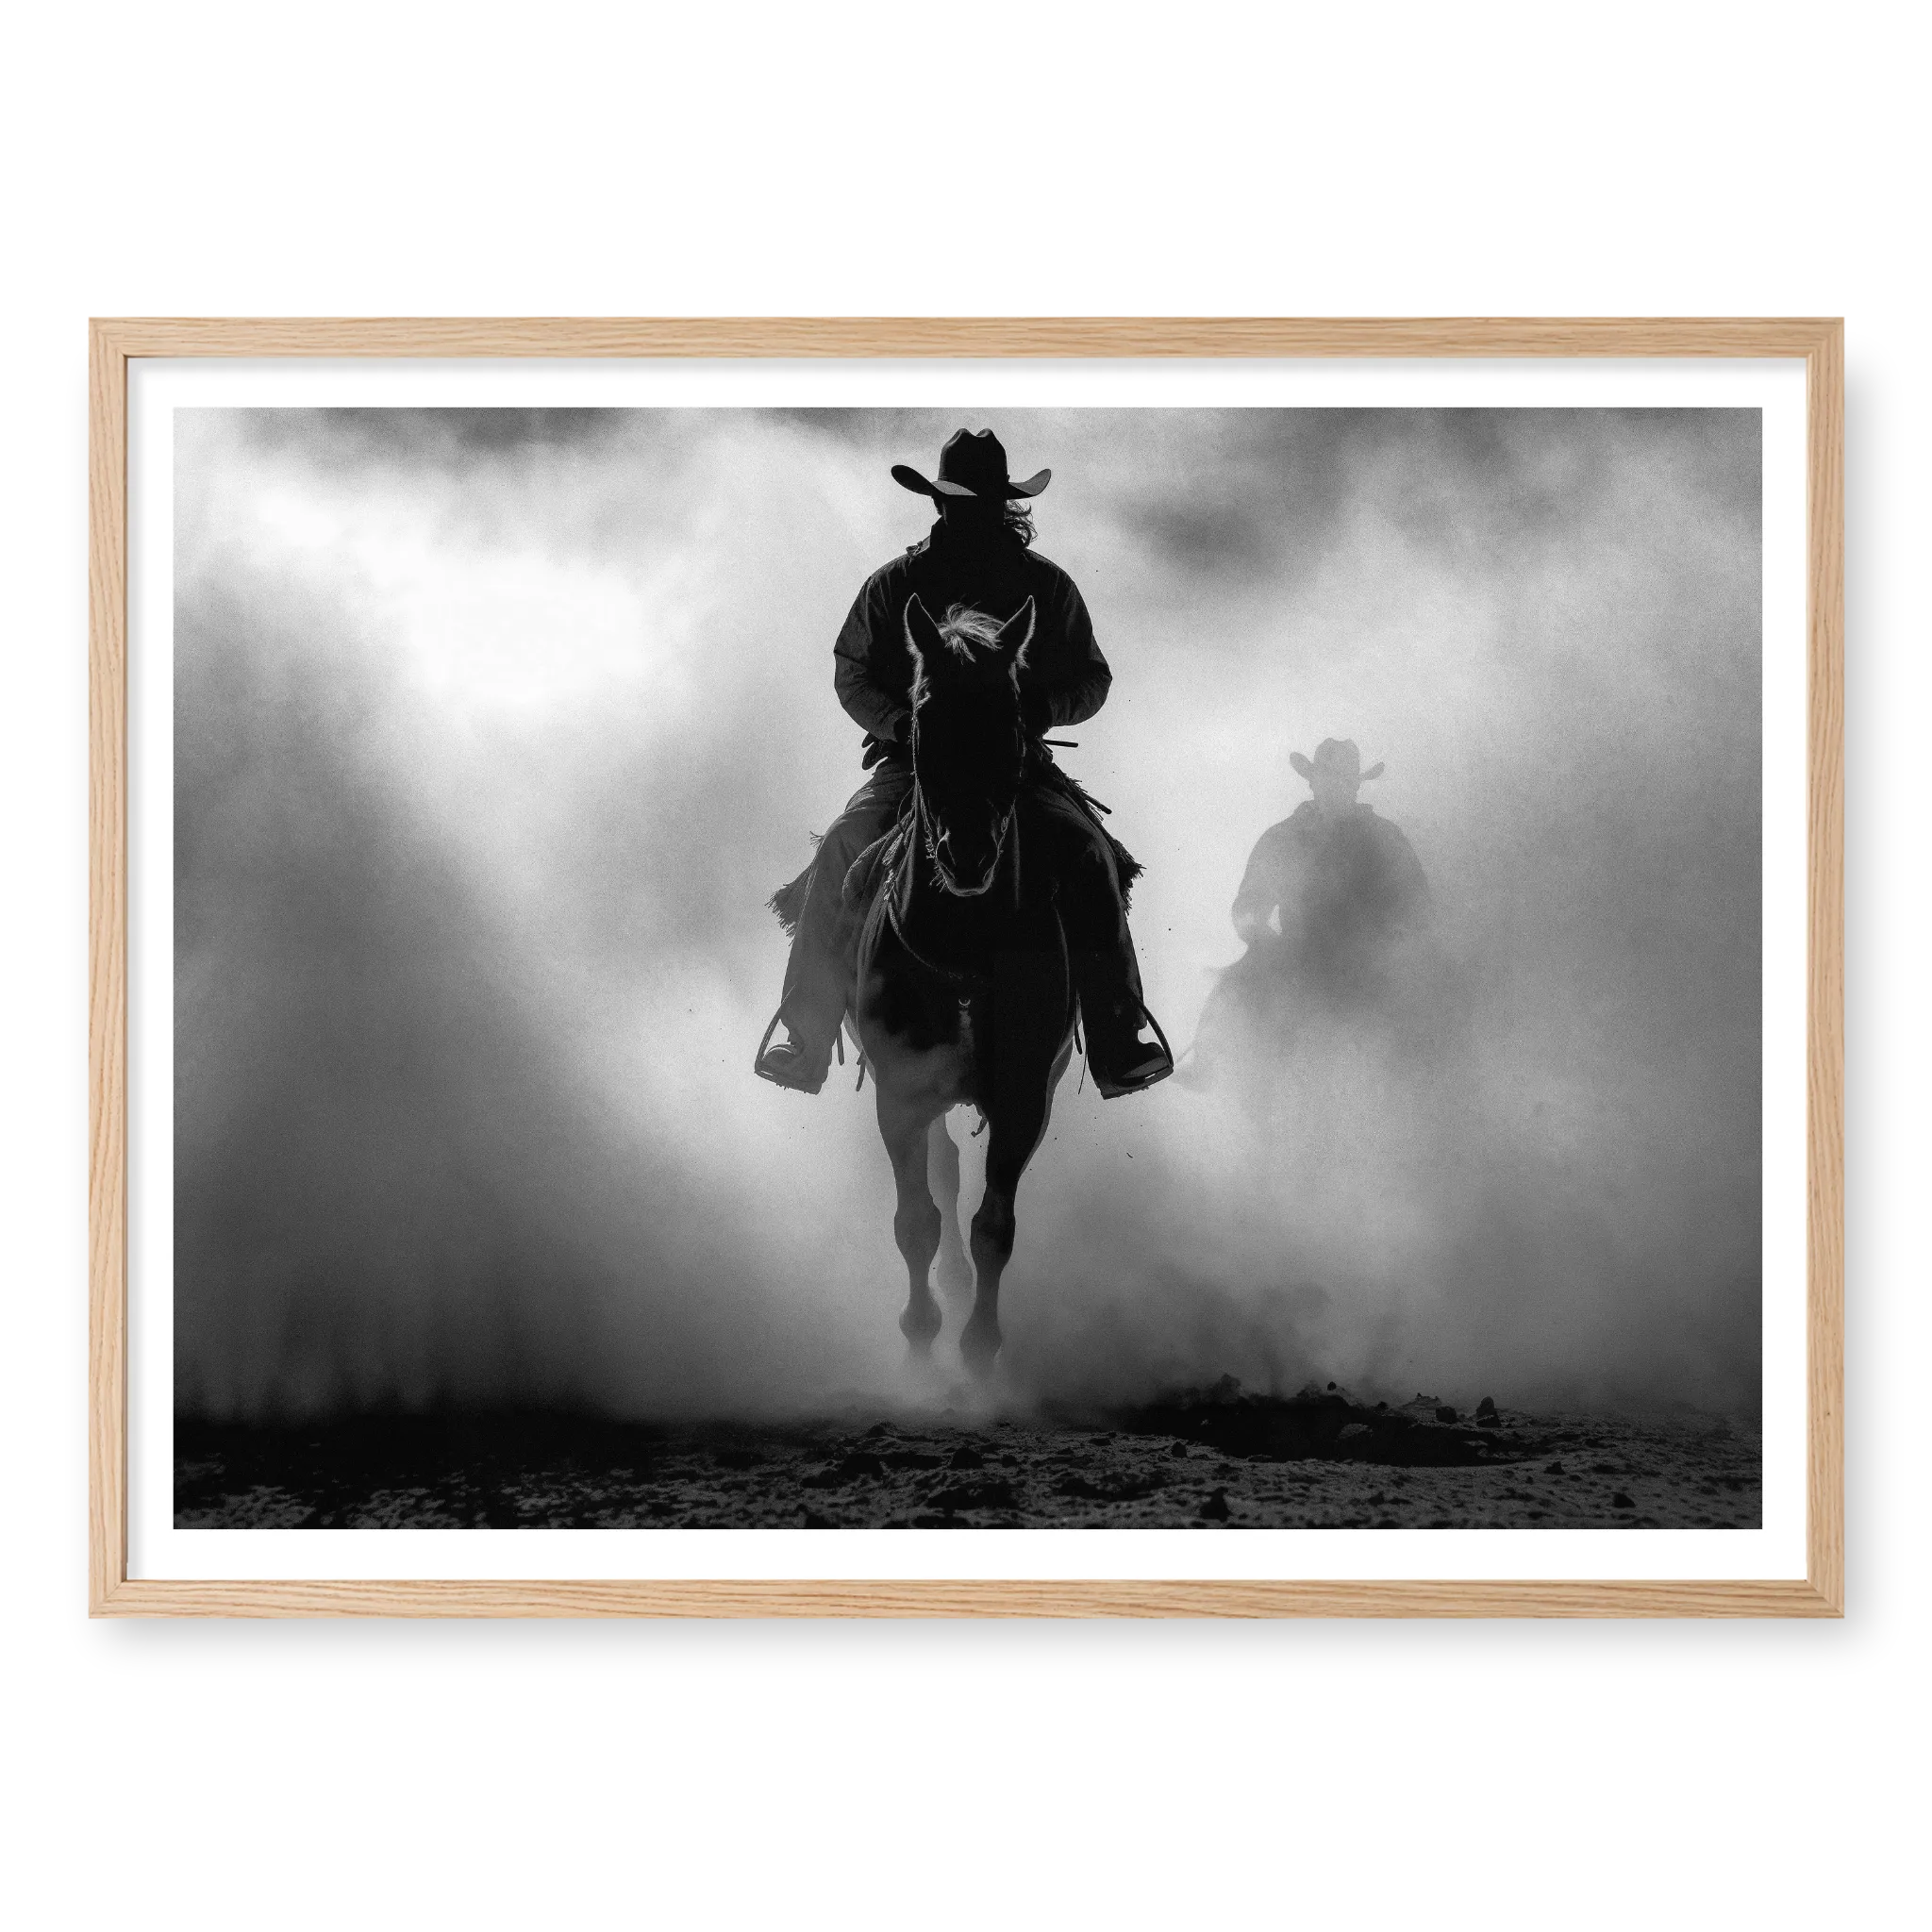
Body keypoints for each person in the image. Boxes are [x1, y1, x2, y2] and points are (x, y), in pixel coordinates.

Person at [757, 428, 1172, 1099]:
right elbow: (852, 671)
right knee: (841, 848)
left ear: (1000, 506)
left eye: (979, 503)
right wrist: (902, 728)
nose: (967, 513)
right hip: (915, 765)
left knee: (1089, 853)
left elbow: (1091, 679)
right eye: (957, 501)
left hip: (1017, 770)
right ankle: (804, 1035)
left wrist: (1039, 709)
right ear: (940, 503)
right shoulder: (894, 586)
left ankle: (1118, 1033)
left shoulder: (1048, 588)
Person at [1228, 739, 1432, 1004]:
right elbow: (1247, 907)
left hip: (1373, 980)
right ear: (1312, 782)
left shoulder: (1386, 839)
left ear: (1356, 786)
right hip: (1298, 976)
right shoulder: (1282, 840)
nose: (1335, 787)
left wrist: (1392, 948)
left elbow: (1418, 907)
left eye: (1344, 780)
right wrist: (1266, 942)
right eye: (1327, 778)